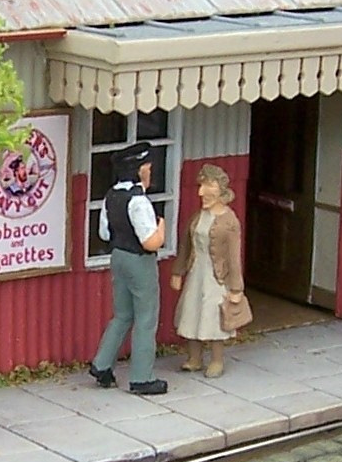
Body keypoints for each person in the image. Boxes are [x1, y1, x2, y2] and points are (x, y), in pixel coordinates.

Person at [89, 140, 169, 395]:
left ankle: (102, 365)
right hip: (139, 260)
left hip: (118, 256)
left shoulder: (111, 196)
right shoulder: (139, 201)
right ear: (139, 170)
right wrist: (161, 228)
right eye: (148, 167)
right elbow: (150, 242)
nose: (150, 171)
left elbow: (104, 234)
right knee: (146, 318)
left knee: (122, 314)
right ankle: (142, 378)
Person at [170, 165, 245, 377]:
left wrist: (236, 288)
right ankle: (194, 358)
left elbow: (233, 257)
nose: (201, 192)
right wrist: (178, 272)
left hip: (216, 277)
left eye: (208, 186)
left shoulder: (229, 221)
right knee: (192, 312)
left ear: (220, 189)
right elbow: (186, 246)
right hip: (196, 273)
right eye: (201, 186)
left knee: (213, 316)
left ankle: (217, 360)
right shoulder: (197, 217)